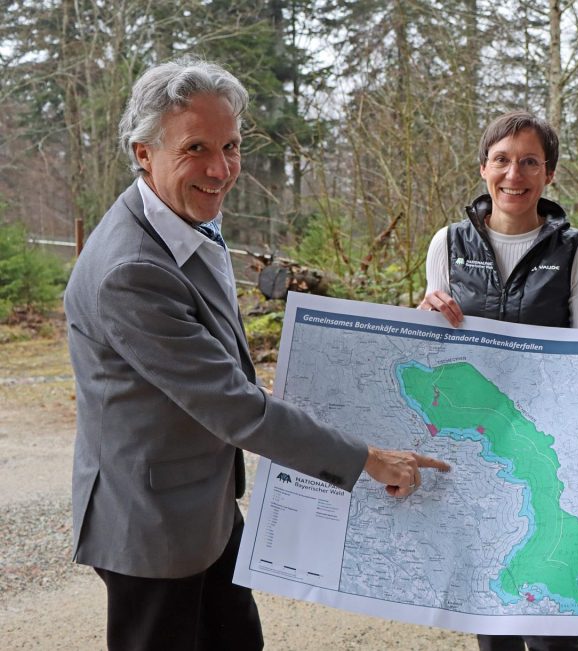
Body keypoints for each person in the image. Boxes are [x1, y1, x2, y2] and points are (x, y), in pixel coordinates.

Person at [64, 58, 449, 651]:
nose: (220, 170)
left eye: (232, 146)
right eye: (196, 148)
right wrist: (367, 458)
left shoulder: (178, 217)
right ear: (144, 153)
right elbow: (236, 408)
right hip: (153, 523)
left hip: (202, 505)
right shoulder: (132, 270)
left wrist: (398, 336)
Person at [418, 111, 578, 651]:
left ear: (549, 175)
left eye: (528, 162)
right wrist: (421, 315)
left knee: (551, 616)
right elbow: (431, 350)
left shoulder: (576, 251)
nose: (513, 174)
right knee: (494, 615)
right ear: (482, 169)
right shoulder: (446, 245)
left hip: (546, 454)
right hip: (477, 451)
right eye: (501, 160)